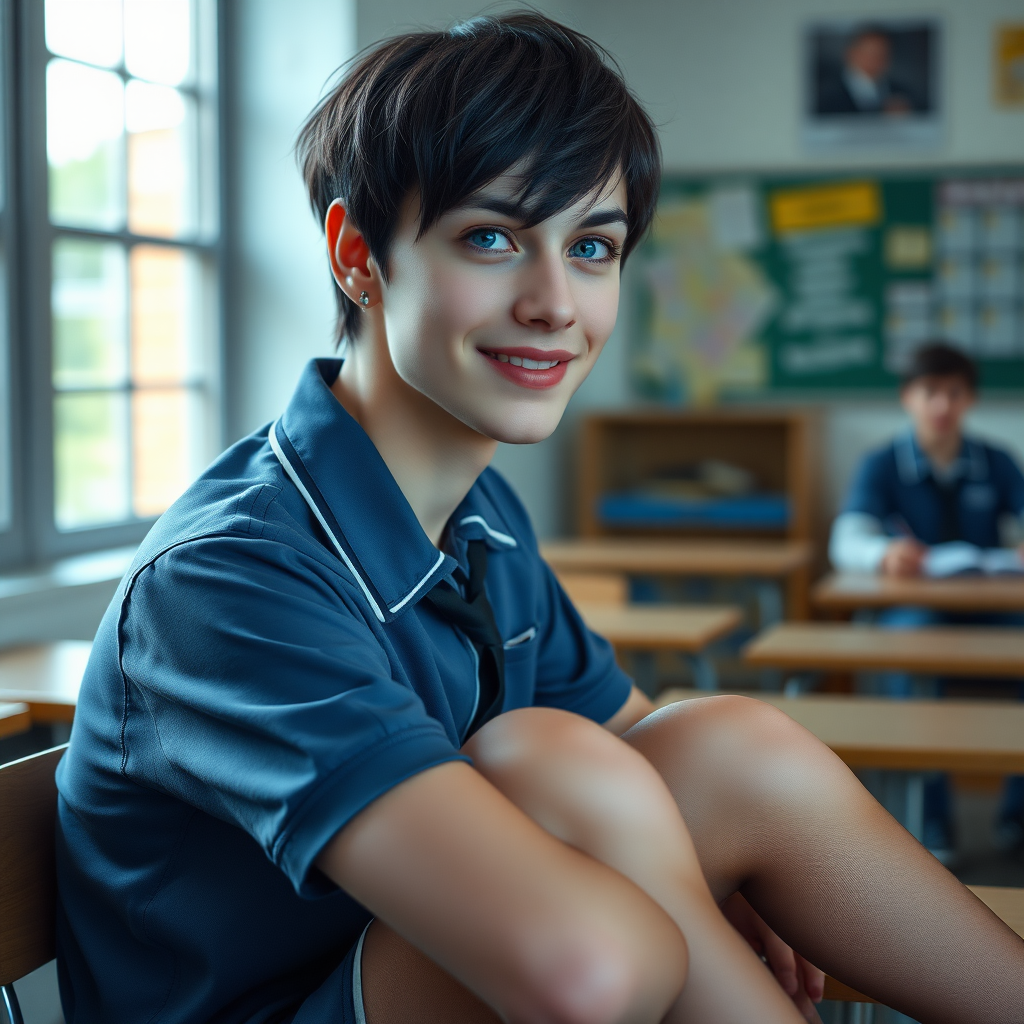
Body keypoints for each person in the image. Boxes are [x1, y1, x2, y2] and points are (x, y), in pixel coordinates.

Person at [55, 15, 1024, 1024]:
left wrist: (724, 869)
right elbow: (585, 972)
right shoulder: (227, 578)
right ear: (356, 256)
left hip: (442, 960)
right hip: (313, 1002)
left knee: (731, 743)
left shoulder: (479, 513)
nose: (557, 303)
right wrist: (678, 892)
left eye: (593, 246)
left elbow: (659, 744)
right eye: (491, 237)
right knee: (546, 770)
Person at [830, 341, 1024, 852]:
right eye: (930, 392)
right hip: (914, 612)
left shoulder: (998, 461)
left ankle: (1017, 814)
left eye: (954, 393)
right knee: (907, 648)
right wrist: (880, 555)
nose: (942, 405)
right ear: (907, 398)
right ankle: (930, 817)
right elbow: (845, 540)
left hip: (990, 612)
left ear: (971, 401)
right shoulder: (882, 462)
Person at [816, 24, 924, 116]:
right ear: (851, 53)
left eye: (883, 54)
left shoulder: (903, 93)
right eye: (870, 53)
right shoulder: (827, 97)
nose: (877, 59)